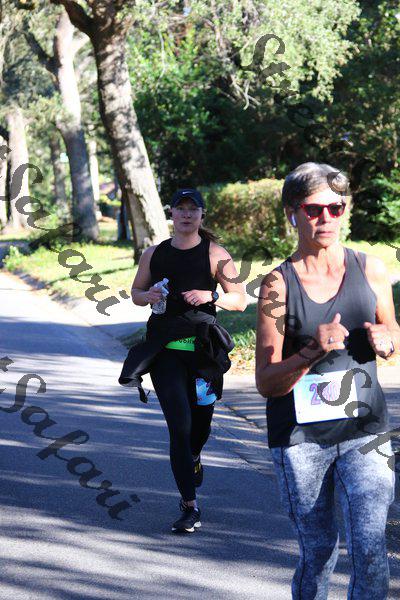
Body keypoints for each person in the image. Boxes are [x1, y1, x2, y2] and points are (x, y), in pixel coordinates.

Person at [255, 162, 400, 599]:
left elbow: (392, 334)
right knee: (318, 551)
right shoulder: (278, 285)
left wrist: (387, 341)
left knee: (370, 546)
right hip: (302, 439)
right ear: (292, 213)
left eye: (336, 208)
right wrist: (311, 352)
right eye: (314, 209)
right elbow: (266, 381)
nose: (326, 219)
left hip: (365, 431)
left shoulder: (370, 269)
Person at [121, 188, 247, 533]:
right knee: (179, 427)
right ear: (172, 214)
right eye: (181, 208)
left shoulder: (215, 254)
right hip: (165, 353)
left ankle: (194, 456)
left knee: (199, 428)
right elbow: (135, 294)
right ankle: (189, 506)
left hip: (203, 354)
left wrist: (212, 295)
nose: (187, 215)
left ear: (202, 215)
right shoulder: (154, 253)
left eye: (193, 209)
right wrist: (148, 295)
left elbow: (240, 300)